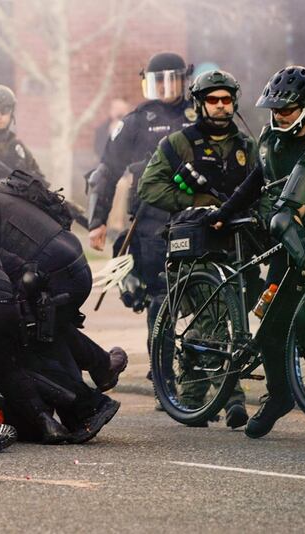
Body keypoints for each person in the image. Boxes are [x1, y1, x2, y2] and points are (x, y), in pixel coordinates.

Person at [0, 174, 125, 443]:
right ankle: (101, 367)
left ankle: (83, 410)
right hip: (73, 258)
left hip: (50, 271)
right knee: (48, 330)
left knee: (30, 339)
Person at [138, 69, 257, 428]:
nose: (220, 107)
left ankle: (191, 395)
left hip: (238, 240)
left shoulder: (247, 147)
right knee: (215, 311)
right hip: (196, 242)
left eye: (226, 100)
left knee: (237, 310)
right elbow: (150, 187)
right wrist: (195, 199)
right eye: (212, 100)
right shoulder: (178, 144)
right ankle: (229, 396)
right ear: (200, 104)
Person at [205, 66, 305, 437]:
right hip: (288, 246)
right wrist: (225, 212)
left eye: (288, 109)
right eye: (274, 109)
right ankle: (280, 396)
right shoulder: (271, 137)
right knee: (269, 331)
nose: (279, 115)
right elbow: (257, 179)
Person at [86, 52, 197, 343]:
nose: (164, 88)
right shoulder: (136, 121)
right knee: (160, 295)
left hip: (197, 215)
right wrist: (97, 221)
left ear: (183, 81)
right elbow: (107, 171)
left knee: (204, 292)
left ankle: (200, 367)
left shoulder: (200, 114)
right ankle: (161, 368)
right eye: (157, 82)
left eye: (171, 81)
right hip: (152, 221)